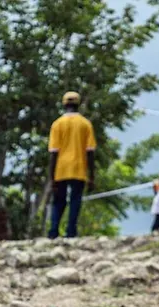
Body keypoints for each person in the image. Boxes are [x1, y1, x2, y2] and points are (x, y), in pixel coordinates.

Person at [48, 91, 97, 239]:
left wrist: (52, 177)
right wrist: (92, 175)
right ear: (78, 104)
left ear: (64, 105)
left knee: (58, 201)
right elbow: (90, 152)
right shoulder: (85, 124)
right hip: (79, 168)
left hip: (61, 168)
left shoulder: (57, 124)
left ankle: (53, 231)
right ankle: (71, 232)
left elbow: (53, 152)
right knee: (75, 200)